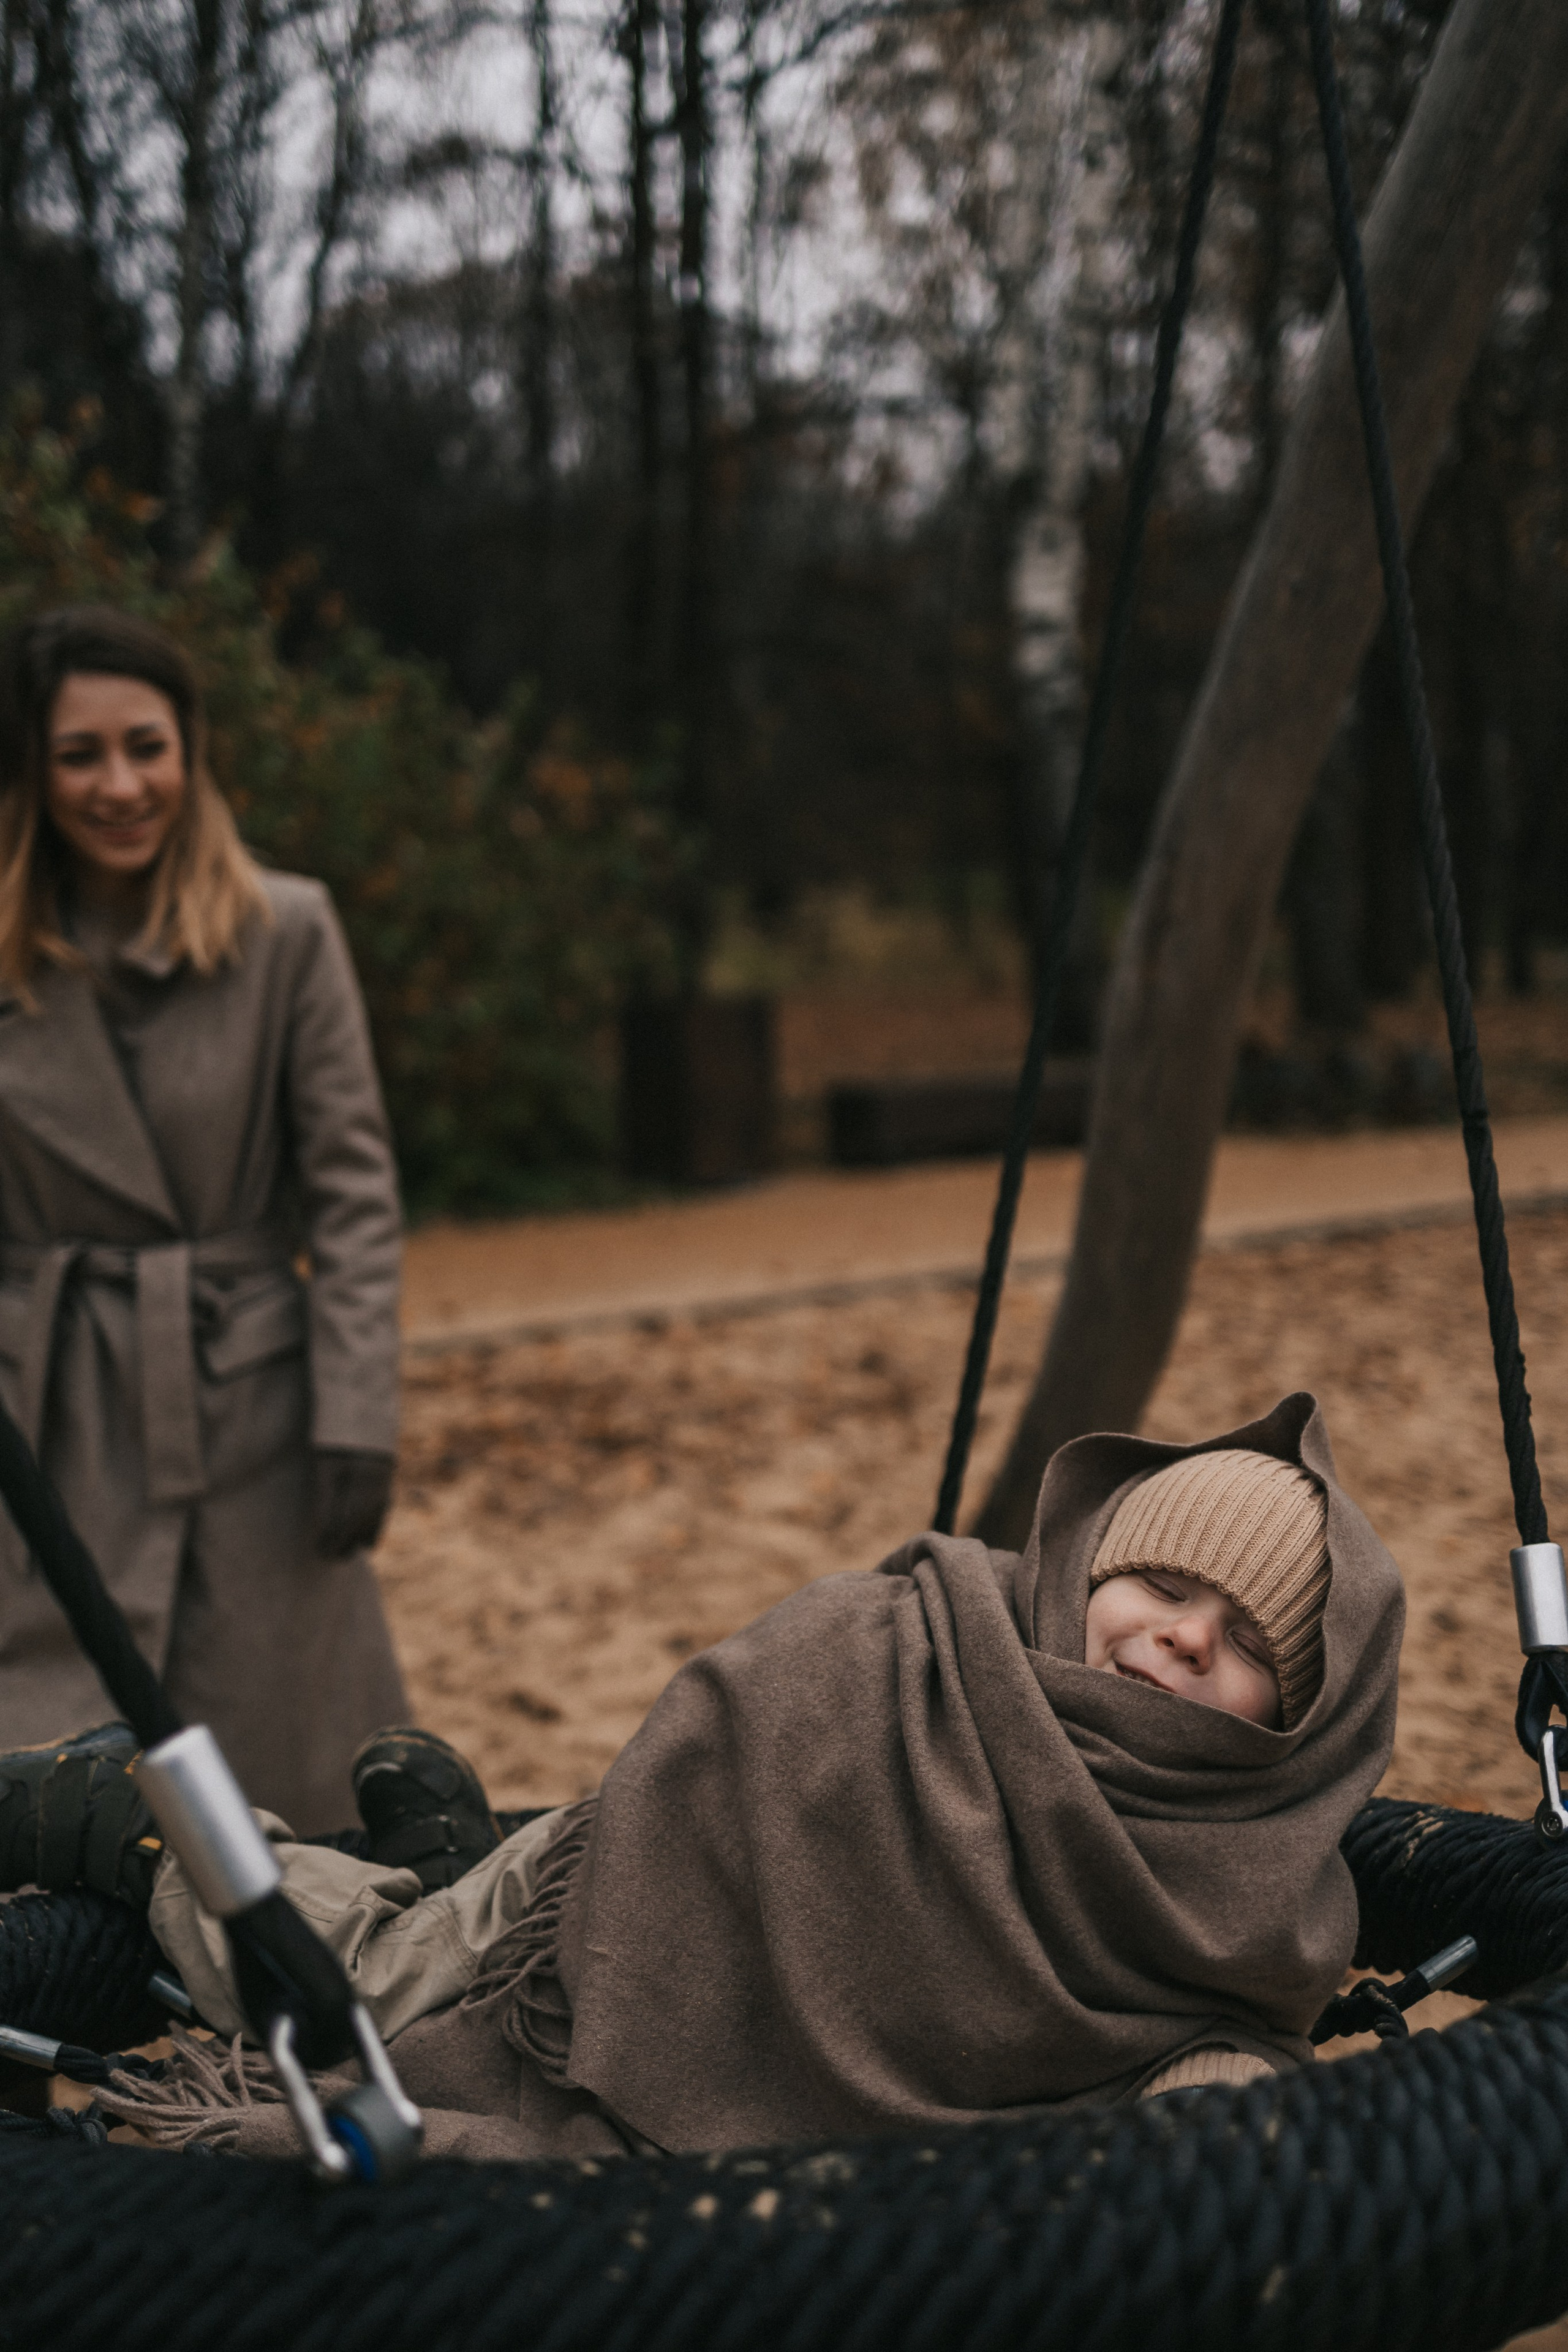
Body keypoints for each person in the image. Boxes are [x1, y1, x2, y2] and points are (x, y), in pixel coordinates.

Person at [0, 1392, 1404, 2160]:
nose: (1174, 1636)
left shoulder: (1255, 1881)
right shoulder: (917, 1646)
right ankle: (134, 1816)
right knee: (360, 1990)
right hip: (597, 1929)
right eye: (1157, 1583)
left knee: (430, 1932)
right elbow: (734, 1724)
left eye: (1239, 1650)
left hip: (677, 1981)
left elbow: (1226, 2050)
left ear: (1296, 1727)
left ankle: (436, 1853)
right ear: (1090, 1566)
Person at [0, 605, 407, 1831]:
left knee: (296, 1796)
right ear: (31, 767)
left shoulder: (287, 931)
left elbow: (351, 1193)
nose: (120, 784)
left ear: (192, 753)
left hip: (249, 1414)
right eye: (80, 754)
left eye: (148, 745)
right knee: (50, 1795)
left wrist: (356, 1412)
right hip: (43, 1410)